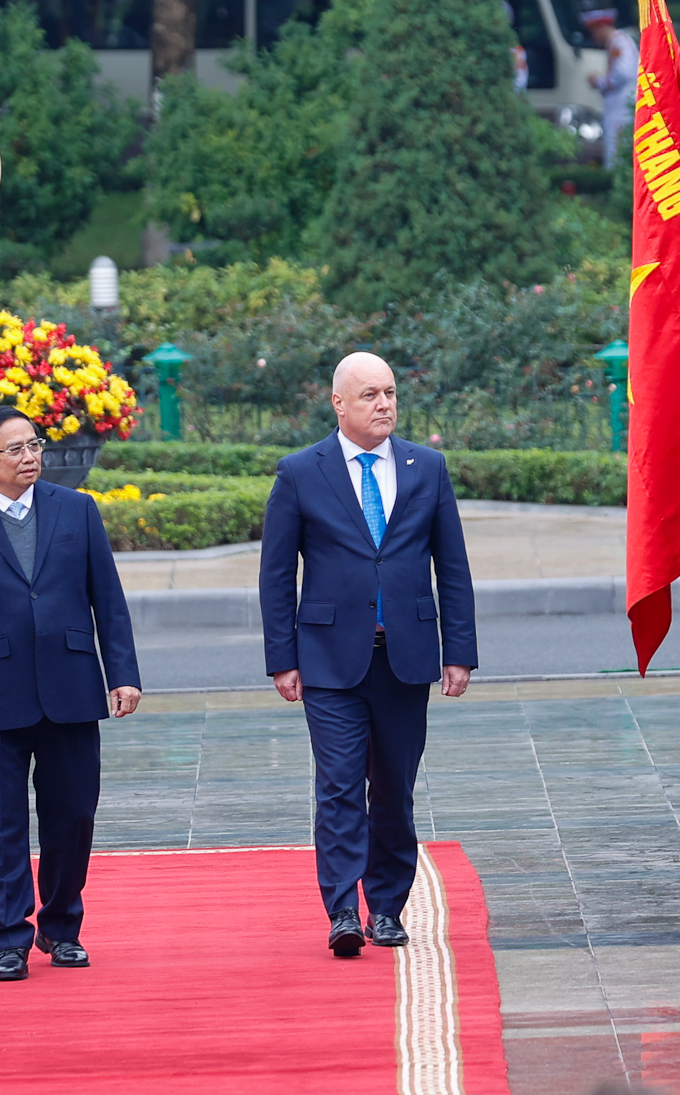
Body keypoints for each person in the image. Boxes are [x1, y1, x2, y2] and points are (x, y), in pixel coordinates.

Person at [259, 352, 477, 956]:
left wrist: (458, 651)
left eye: (390, 393)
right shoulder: (301, 472)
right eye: (369, 396)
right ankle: (341, 910)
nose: (384, 405)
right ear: (339, 404)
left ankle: (386, 907)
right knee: (338, 787)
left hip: (405, 658)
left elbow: (452, 568)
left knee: (394, 788)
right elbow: (276, 574)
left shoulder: (425, 467)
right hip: (329, 660)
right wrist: (283, 657)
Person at [0, 406, 140, 981]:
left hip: (70, 687)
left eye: (35, 445)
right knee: (0, 821)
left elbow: (108, 603)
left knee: (72, 816)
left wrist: (123, 674)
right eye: (14, 449)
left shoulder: (77, 510)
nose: (29, 457)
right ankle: (7, 937)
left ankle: (62, 926)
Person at [583, 7, 638, 170]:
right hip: (619, 103)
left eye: (593, 31)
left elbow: (623, 72)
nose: (593, 37)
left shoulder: (619, 41)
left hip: (621, 105)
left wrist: (599, 81)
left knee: (617, 148)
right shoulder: (618, 41)